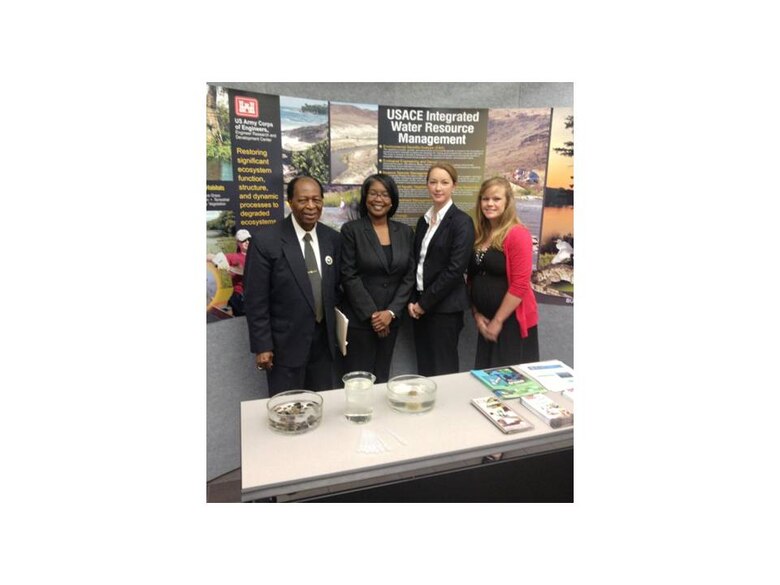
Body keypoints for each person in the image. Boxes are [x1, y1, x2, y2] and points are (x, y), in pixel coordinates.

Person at [243, 176, 342, 395]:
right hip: (284, 347)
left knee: (322, 405)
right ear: (290, 202)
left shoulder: (332, 239)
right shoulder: (266, 240)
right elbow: (255, 299)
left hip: (323, 346)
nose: (310, 206)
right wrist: (263, 346)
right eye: (303, 200)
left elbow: (337, 288)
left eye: (316, 199)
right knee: (287, 411)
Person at [339, 174, 415, 383]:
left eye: (384, 194)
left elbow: (409, 276)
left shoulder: (405, 231)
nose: (378, 199)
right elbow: (348, 275)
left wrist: (391, 312)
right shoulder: (351, 230)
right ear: (365, 197)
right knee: (358, 380)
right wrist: (373, 315)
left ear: (392, 200)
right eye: (373, 193)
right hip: (359, 320)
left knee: (382, 377)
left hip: (391, 320)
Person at [408, 163, 475, 376]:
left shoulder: (462, 222)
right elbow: (415, 264)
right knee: (424, 367)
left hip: (444, 310)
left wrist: (423, 304)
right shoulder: (423, 221)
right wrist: (413, 301)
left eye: (444, 182)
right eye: (433, 182)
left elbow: (455, 270)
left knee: (443, 369)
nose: (438, 188)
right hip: (419, 307)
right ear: (427, 185)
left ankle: (447, 410)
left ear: (454, 186)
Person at [468, 177, 539, 369]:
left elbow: (520, 285)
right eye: (485, 199)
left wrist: (498, 321)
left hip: (511, 324)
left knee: (510, 385)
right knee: (486, 381)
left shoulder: (517, 234)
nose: (490, 203)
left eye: (496, 199)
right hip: (486, 321)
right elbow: (472, 278)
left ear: (507, 202)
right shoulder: (480, 234)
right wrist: (476, 314)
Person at [207, 229, 251, 316]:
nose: (247, 242)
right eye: (243, 240)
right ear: (238, 242)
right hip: (240, 296)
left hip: (256, 295)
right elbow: (208, 256)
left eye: (248, 239)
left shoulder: (257, 255)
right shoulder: (233, 257)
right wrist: (218, 261)